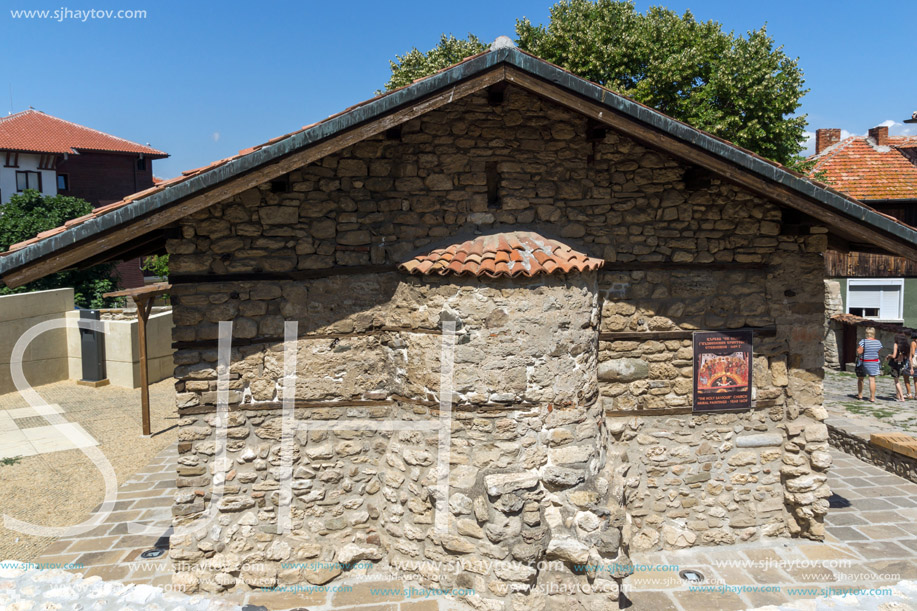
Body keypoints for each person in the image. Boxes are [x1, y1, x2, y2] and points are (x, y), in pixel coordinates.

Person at [856, 328, 882, 402]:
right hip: (874, 362)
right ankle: (872, 397)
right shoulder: (878, 342)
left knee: (861, 379)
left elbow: (859, 352)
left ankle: (860, 395)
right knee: (872, 379)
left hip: (864, 362)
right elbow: (878, 352)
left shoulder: (863, 342)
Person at [887, 333, 909, 401]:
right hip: (901, 363)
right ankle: (898, 395)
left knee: (896, 381)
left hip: (895, 363)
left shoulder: (896, 344)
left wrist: (888, 356)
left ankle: (901, 397)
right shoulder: (905, 346)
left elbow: (893, 356)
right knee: (898, 379)